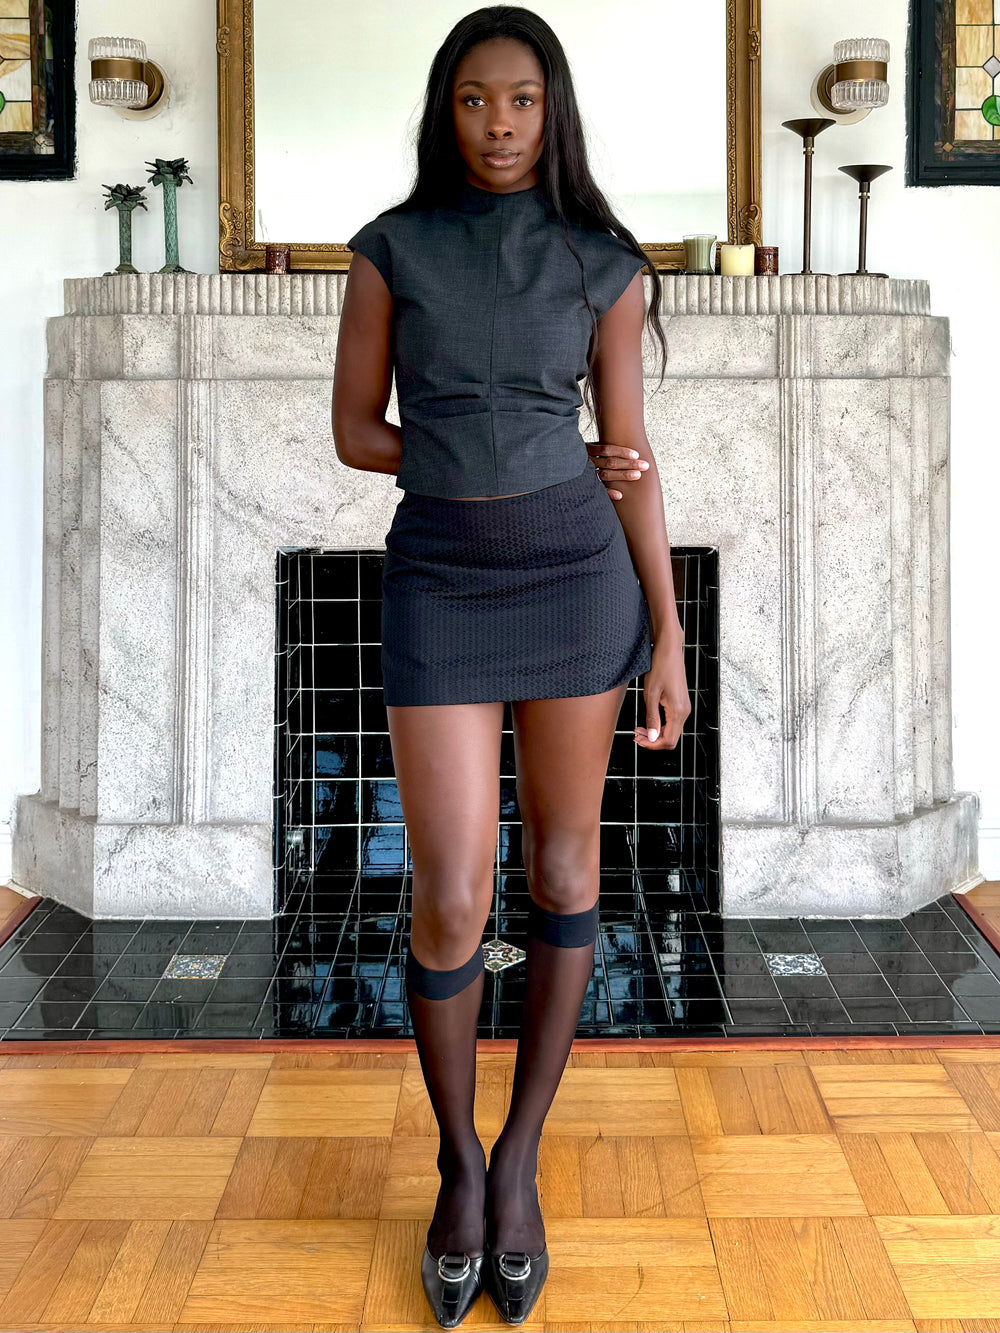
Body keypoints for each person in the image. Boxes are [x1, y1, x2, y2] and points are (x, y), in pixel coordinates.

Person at [332, 6, 690, 1325]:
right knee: (451, 894)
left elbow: (635, 462)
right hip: (439, 580)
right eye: (477, 100)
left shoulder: (603, 264)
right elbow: (356, 432)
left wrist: (669, 633)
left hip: (575, 581)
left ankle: (520, 1160)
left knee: (563, 872)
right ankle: (456, 1153)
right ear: (448, 108)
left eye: (522, 101)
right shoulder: (391, 251)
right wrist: (475, 455)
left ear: (553, 111)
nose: (498, 123)